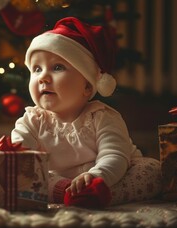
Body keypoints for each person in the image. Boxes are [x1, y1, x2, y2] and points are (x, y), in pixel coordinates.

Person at [11, 17, 161, 208]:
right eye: (37, 69)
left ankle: (95, 193)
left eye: (57, 67)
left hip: (108, 176)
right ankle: (65, 191)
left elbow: (114, 155)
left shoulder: (102, 117)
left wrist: (96, 176)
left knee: (150, 170)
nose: (43, 77)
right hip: (56, 179)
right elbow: (19, 156)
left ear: (87, 87)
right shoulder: (30, 121)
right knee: (23, 173)